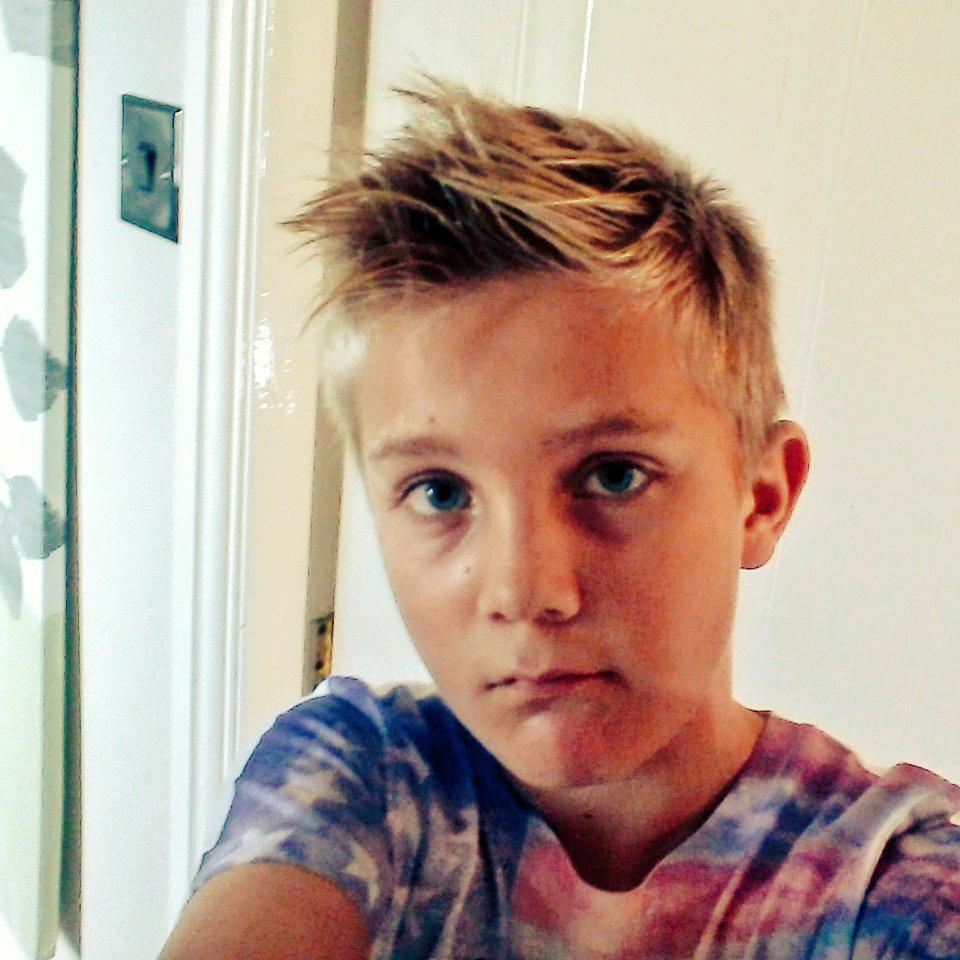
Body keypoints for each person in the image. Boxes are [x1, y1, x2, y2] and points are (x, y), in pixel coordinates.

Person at [159, 80, 960, 960]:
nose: (524, 590)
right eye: (440, 492)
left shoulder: (893, 877)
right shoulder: (363, 781)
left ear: (762, 496)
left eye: (613, 476)